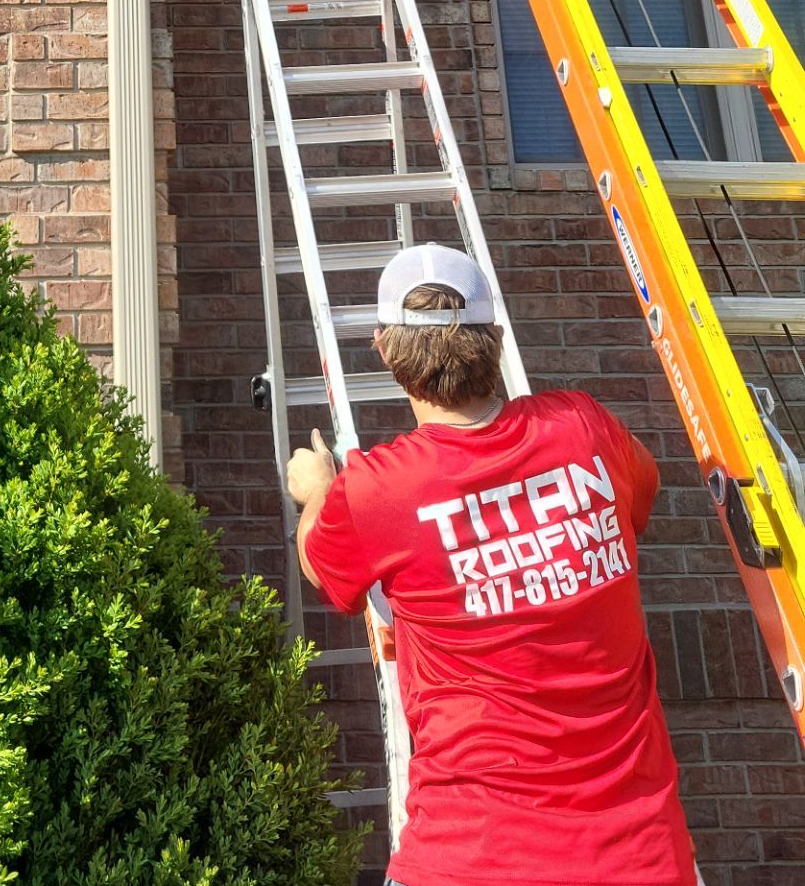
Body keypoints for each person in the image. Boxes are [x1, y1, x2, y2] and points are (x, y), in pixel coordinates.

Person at [286, 240, 699, 886]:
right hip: (638, 859)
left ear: (387, 350)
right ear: (494, 340)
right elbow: (637, 503)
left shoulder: (376, 491)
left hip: (470, 861)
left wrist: (314, 489)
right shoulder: (585, 430)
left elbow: (322, 566)